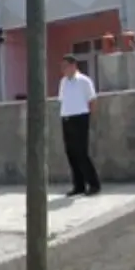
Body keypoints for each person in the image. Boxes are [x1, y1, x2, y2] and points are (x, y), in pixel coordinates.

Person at [57, 54, 100, 197]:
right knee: (71, 153)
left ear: (73, 65)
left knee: (82, 152)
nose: (63, 69)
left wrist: (90, 118)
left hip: (80, 118)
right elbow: (62, 100)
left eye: (65, 66)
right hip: (67, 118)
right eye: (62, 67)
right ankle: (79, 185)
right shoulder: (63, 82)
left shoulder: (84, 81)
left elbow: (92, 100)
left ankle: (94, 184)